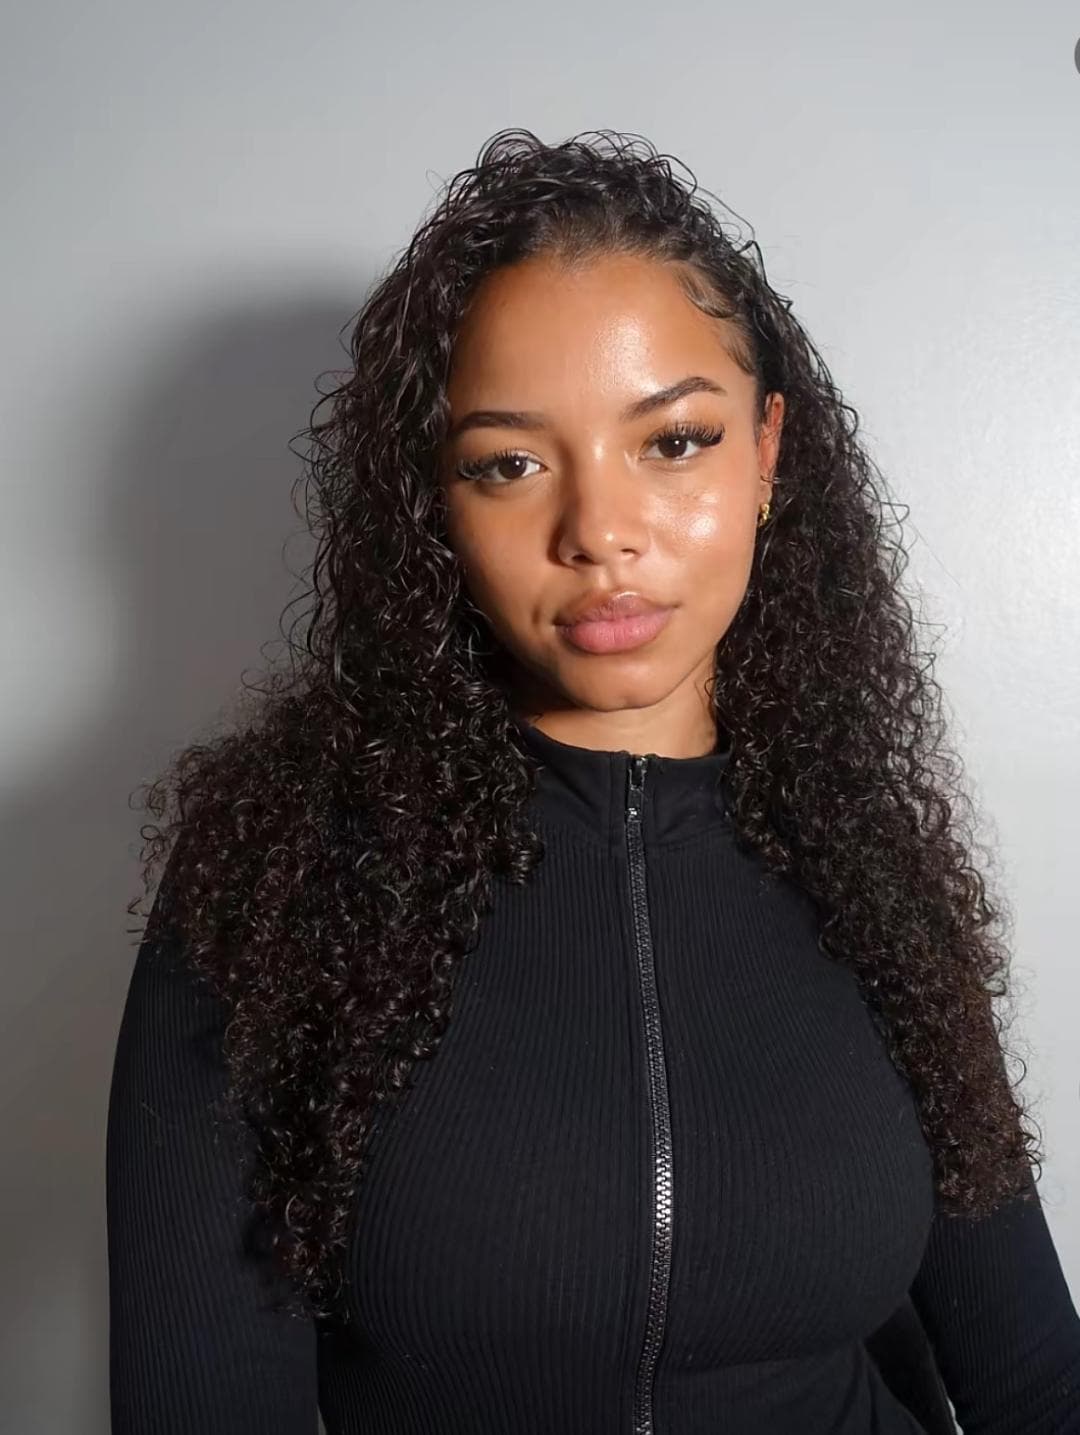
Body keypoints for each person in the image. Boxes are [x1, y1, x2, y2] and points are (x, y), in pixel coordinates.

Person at [106, 127, 1080, 1434]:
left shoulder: (872, 863)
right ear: (436, 508)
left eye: (672, 442)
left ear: (767, 455)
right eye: (509, 463)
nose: (598, 533)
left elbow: (1031, 1376)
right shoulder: (274, 874)